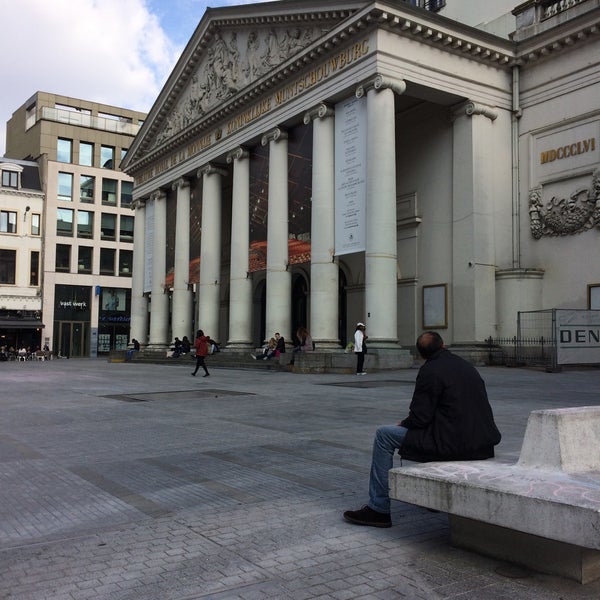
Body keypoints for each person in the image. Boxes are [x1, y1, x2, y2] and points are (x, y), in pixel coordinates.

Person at [343, 331, 501, 528]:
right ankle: (434, 498)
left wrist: (405, 422)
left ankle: (378, 508)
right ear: (443, 345)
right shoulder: (466, 366)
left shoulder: (430, 370)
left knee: (384, 435)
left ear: (421, 354)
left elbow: (420, 417)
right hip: (482, 441)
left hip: (454, 443)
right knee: (432, 431)